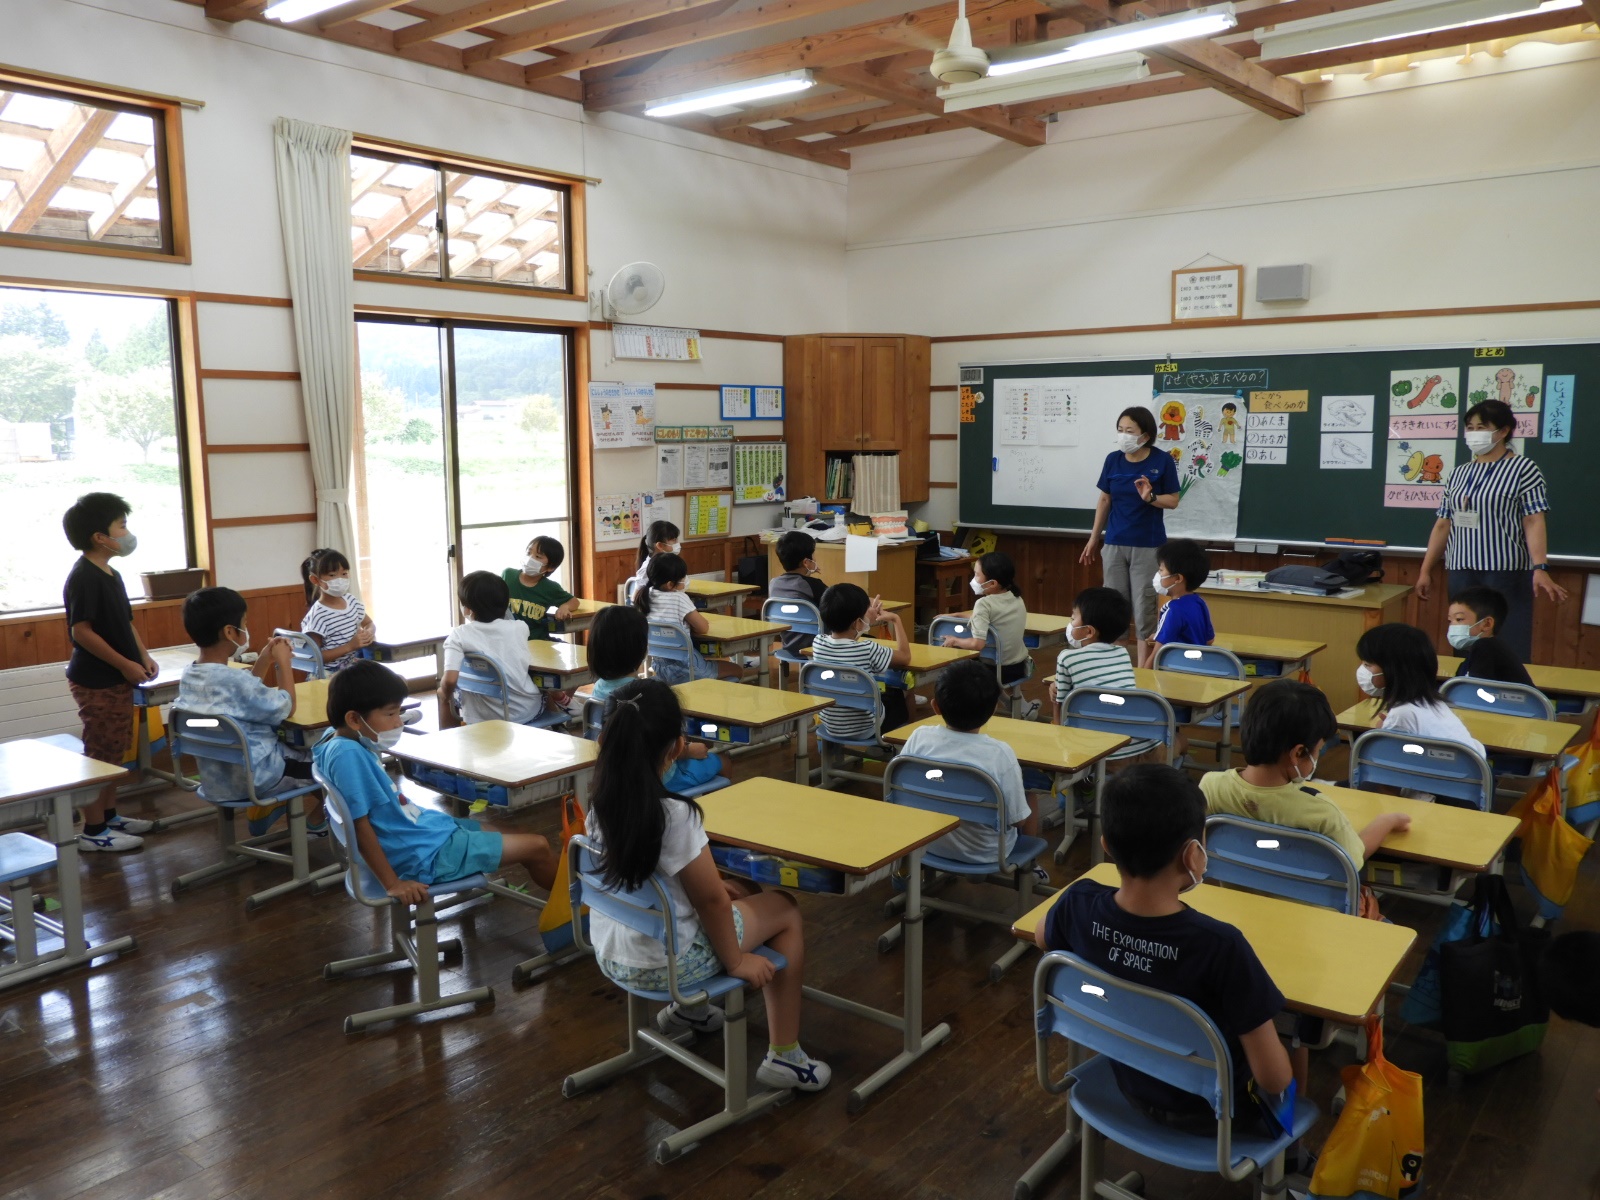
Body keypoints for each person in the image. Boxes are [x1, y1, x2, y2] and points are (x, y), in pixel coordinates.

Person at [584, 679, 830, 1090]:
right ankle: (784, 1055)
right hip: (669, 966)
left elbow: (664, 881)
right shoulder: (675, 816)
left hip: (612, 953)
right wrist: (736, 962)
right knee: (785, 908)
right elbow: (712, 903)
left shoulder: (598, 807)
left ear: (604, 739)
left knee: (742, 891)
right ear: (677, 747)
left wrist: (718, 891)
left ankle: (690, 1012)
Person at [1034, 763, 1295, 1131]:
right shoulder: (1222, 947)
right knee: (1296, 1044)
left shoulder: (1077, 903)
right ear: (1193, 854)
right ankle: (1294, 1156)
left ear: (1106, 845)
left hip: (1127, 1076)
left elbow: (1043, 938)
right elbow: (1274, 1079)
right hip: (1216, 1112)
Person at [313, 660, 556, 897]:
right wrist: (393, 884)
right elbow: (359, 826)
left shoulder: (333, 739)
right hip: (422, 856)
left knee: (517, 831)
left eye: (399, 712)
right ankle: (571, 910)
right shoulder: (348, 755)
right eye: (390, 714)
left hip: (420, 835)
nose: (398, 722)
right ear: (354, 719)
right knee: (538, 846)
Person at [1201, 679, 1410, 916]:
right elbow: (1352, 860)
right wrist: (1387, 821)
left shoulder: (1211, 787)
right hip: (1312, 922)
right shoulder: (1321, 811)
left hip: (1239, 912)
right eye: (1318, 749)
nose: (1317, 756)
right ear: (1298, 752)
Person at [1416, 398, 1567, 661]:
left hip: (1506, 570)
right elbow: (1443, 523)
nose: (1474, 433)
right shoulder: (1458, 473)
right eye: (1470, 428)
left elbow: (1533, 520)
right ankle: (1466, 682)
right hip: (1462, 568)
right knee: (1464, 637)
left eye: (1481, 427)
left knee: (1507, 640)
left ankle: (1507, 685)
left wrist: (1540, 567)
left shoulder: (1524, 469)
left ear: (1503, 431)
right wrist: (1425, 570)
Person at [175, 586, 324, 836]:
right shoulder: (235, 681)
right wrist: (284, 662)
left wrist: (264, 659)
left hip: (218, 781)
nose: (246, 628)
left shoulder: (190, 675)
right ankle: (314, 823)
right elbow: (287, 706)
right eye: (244, 623)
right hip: (262, 777)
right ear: (229, 632)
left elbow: (244, 698)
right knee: (335, 762)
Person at [61, 492, 158, 852]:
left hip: (118, 677)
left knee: (116, 750)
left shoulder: (111, 574)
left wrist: (143, 656)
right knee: (100, 753)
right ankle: (93, 830)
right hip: (96, 680)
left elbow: (126, 623)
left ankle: (110, 815)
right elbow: (81, 632)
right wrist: (125, 664)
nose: (127, 533)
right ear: (100, 537)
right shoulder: (84, 576)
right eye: (122, 526)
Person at [900, 660, 1038, 864]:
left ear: (935, 707)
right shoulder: (1000, 754)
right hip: (986, 852)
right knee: (1030, 788)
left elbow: (901, 795)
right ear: (993, 710)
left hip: (923, 842)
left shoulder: (919, 737)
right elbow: (1018, 820)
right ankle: (1030, 866)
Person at [588, 604, 726, 794]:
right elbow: (655, 750)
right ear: (641, 649)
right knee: (724, 763)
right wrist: (687, 751)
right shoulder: (645, 697)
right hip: (661, 777)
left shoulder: (598, 690)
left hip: (615, 775)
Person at [1079, 406, 1181, 643]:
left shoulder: (1162, 460)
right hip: (1114, 543)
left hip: (1147, 545)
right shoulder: (1113, 460)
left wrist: (1151, 498)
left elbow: (1173, 501)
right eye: (1120, 429)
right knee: (1113, 607)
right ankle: (1117, 659)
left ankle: (1144, 662)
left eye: (1129, 431)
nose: (1123, 435)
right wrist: (1094, 538)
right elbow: (1105, 500)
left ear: (1145, 435)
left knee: (1144, 607)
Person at [1356, 623, 1485, 757]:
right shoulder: (1434, 704)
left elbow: (1391, 761)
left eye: (1367, 664)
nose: (1362, 670)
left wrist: (1381, 733)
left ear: (1395, 670)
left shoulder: (1402, 714)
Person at [438, 571, 544, 727]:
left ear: (467, 609)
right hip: (523, 713)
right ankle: (556, 730)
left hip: (480, 717)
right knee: (546, 690)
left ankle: (451, 737)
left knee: (443, 693)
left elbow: (450, 680)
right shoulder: (520, 627)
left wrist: (444, 694)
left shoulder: (458, 635)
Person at [813, 582, 912, 740]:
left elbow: (846, 644)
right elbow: (905, 657)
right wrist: (896, 619)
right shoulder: (868, 649)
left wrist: (863, 621)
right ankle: (900, 744)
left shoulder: (818, 642)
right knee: (900, 693)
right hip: (865, 728)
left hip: (830, 724)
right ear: (857, 622)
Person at [941, 551, 1033, 715]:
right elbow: (995, 618)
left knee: (959, 663)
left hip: (994, 670)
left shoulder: (984, 604)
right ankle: (1019, 706)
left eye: (977, 575)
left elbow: (977, 644)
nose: (973, 579)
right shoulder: (1016, 597)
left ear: (992, 583)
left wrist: (954, 640)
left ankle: (969, 712)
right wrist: (960, 615)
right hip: (1017, 666)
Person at [633, 552, 738, 683]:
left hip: (660, 669)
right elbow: (703, 628)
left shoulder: (643, 597)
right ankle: (712, 694)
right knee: (736, 669)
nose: (685, 580)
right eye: (682, 578)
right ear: (670, 584)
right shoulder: (679, 598)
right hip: (688, 668)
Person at [1049, 586, 1136, 723]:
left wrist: (1055, 696)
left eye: (1073, 618)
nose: (1070, 623)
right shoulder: (1122, 653)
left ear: (1089, 631)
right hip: (1126, 731)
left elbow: (1060, 708)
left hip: (1086, 731)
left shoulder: (1067, 658)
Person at [1141, 537, 1214, 669]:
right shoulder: (1200, 602)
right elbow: (1209, 640)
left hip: (1174, 671)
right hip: (1199, 669)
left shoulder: (1173, 610)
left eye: (1161, 570)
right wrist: (1159, 635)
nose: (1158, 575)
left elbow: (1158, 653)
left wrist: (1143, 675)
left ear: (1178, 578)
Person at [300, 548, 374, 672]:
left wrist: (368, 633)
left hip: (352, 667)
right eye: (332, 575)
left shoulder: (351, 601)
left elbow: (369, 623)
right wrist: (349, 646)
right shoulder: (318, 615)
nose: (340, 579)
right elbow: (313, 657)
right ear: (315, 580)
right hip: (329, 674)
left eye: (344, 573)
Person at [1447, 585, 1534, 687]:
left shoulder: (1485, 646)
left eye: (1459, 619)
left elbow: (1476, 692)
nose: (1452, 626)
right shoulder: (1466, 663)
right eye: (1450, 621)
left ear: (1487, 624)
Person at [503, 533, 575, 641]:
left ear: (551, 567)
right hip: (508, 639)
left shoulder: (550, 587)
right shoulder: (508, 575)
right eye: (529, 552)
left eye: (538, 556)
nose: (530, 558)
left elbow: (574, 601)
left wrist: (565, 607)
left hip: (536, 640)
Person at [768, 530, 827, 657]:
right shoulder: (813, 585)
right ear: (806, 562)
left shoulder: (774, 584)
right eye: (813, 555)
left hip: (788, 646)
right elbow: (836, 603)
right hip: (817, 647)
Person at [628, 520, 681, 598]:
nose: (677, 543)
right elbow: (635, 598)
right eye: (674, 540)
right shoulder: (647, 569)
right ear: (660, 545)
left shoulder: (669, 562)